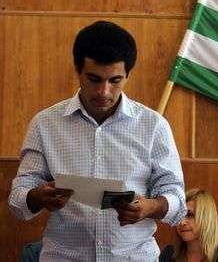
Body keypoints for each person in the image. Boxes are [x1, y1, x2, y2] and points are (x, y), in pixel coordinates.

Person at [9, 20, 187, 261]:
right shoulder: (45, 124)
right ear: (77, 70)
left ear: (128, 75)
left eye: (115, 80)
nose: (104, 91)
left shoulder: (154, 126)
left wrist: (150, 207)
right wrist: (36, 197)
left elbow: (177, 201)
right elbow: (17, 202)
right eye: (94, 79)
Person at [159, 188, 218, 262]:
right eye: (179, 215)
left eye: (190, 215)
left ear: (207, 218)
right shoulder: (169, 254)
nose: (181, 222)